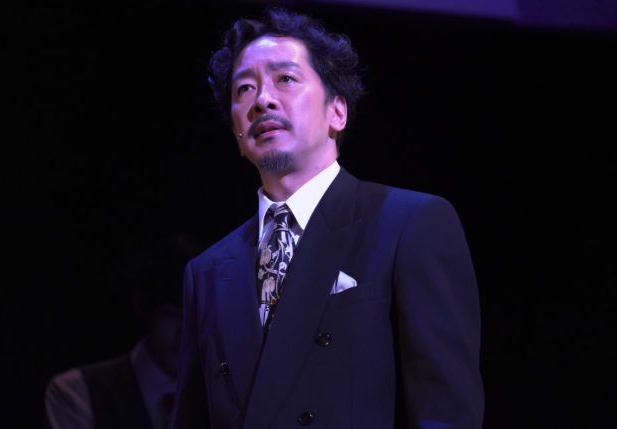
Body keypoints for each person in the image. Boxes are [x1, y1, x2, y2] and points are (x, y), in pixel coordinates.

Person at [172, 7, 483, 429]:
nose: (262, 100)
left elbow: (446, 413)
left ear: (337, 112)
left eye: (285, 79)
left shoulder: (409, 224)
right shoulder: (207, 272)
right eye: (244, 88)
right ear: (236, 134)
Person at [45, 233, 199, 429]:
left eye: (196, 318)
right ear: (141, 307)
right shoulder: (78, 392)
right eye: (171, 315)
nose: (185, 333)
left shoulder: (221, 387)